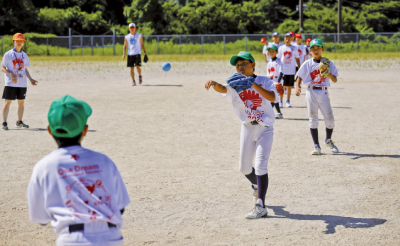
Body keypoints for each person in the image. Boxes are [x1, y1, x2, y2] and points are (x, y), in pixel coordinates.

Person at [27, 95, 131, 245]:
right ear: (85, 130)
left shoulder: (44, 166)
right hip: (111, 237)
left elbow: (40, 218)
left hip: (72, 239)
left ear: (49, 130)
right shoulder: (104, 161)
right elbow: (120, 207)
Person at [204, 51, 278, 219]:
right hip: (247, 127)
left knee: (260, 165)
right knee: (244, 168)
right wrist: (215, 84)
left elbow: (272, 97)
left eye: (244, 63)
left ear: (253, 65)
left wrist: (252, 84)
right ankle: (255, 184)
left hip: (265, 128)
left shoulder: (264, 80)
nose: (240, 67)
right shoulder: (236, 83)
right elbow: (224, 89)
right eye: (237, 65)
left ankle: (260, 205)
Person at [295, 39, 339, 155]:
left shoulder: (327, 63)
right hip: (311, 92)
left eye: (318, 48)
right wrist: (297, 87)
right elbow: (299, 76)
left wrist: (327, 73)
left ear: (322, 49)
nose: (315, 50)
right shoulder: (308, 63)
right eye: (313, 49)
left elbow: (334, 79)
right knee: (313, 119)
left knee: (330, 119)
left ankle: (328, 140)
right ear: (310, 51)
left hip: (323, 92)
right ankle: (316, 146)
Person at [1, 33, 38, 130]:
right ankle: (4, 123)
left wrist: (31, 79)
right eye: (17, 41)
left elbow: (25, 69)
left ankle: (19, 122)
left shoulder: (24, 55)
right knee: (7, 102)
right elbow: (2, 68)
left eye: (21, 41)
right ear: (13, 41)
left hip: (22, 83)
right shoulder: (8, 54)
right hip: (10, 83)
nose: (19, 43)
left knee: (21, 103)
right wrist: (11, 74)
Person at [276, 33, 300, 108]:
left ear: (291, 39)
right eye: (286, 38)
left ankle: (288, 101)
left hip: (291, 70)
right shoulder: (281, 48)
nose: (287, 40)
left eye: (289, 38)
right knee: (282, 86)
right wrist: (278, 68)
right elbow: (278, 59)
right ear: (284, 39)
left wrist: (299, 67)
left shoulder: (294, 48)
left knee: (289, 86)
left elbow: (297, 59)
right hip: (283, 70)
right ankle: (280, 101)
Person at [266, 44, 284, 119]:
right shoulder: (269, 62)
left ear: (276, 52)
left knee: (274, 98)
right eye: (270, 51)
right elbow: (267, 73)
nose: (271, 53)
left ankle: (277, 113)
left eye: (273, 51)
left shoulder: (279, 61)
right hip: (271, 81)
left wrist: (279, 82)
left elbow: (281, 72)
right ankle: (275, 112)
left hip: (277, 80)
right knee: (272, 98)